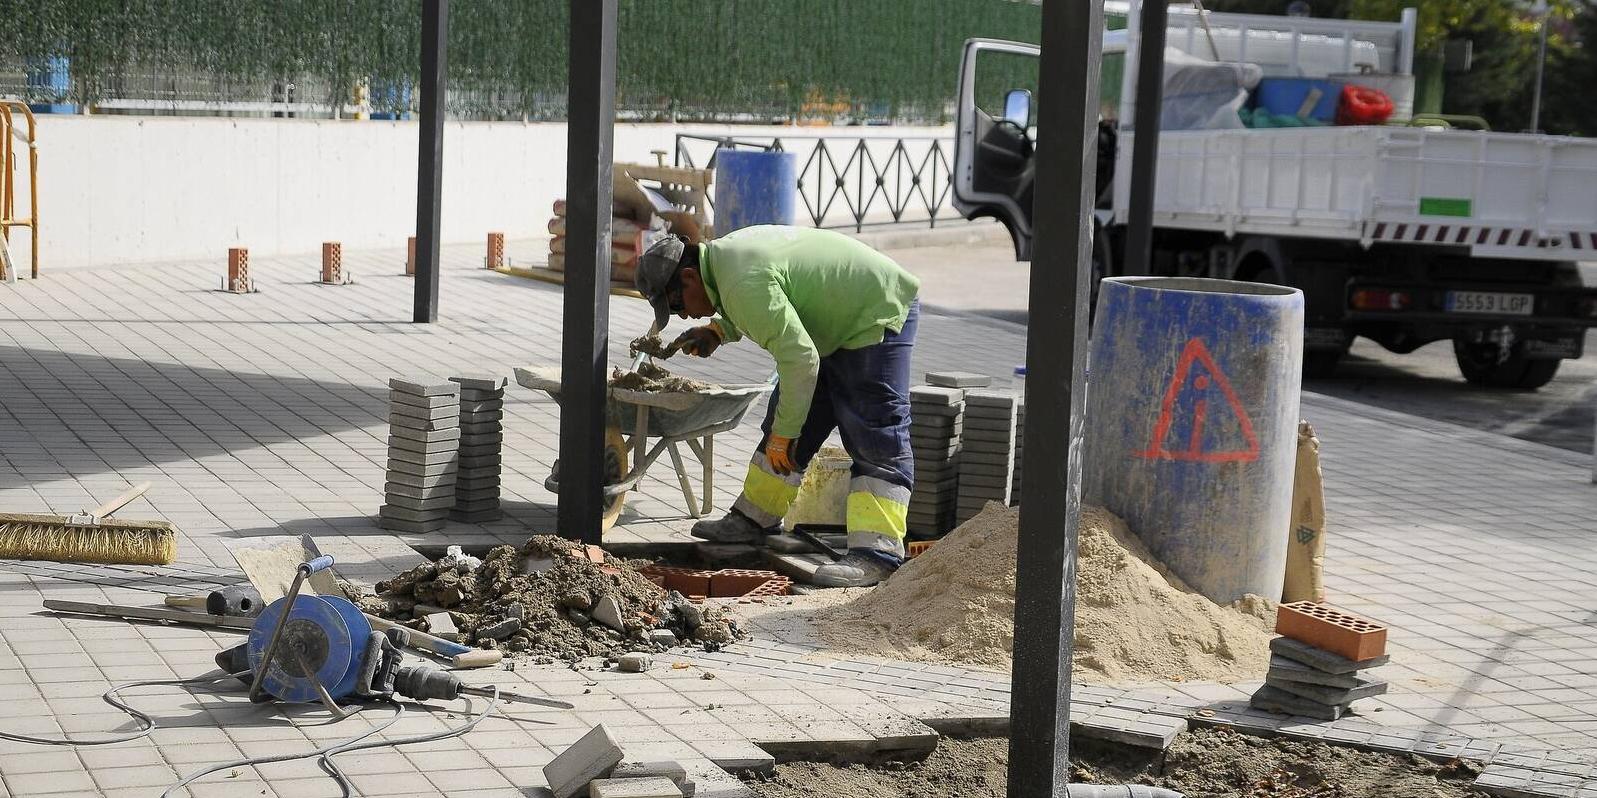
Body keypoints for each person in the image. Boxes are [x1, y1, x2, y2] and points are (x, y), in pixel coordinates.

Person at [634, 225, 921, 587]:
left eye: (676, 306)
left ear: (690, 277)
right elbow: (775, 300)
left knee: (872, 430)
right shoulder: (725, 264)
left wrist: (784, 436)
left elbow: (799, 359)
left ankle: (878, 554)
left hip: (875, 311)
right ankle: (754, 519)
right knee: (787, 417)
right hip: (833, 323)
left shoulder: (739, 281)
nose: (684, 316)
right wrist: (719, 330)